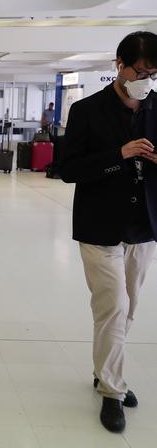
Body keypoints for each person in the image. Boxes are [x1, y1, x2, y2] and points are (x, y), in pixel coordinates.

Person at [60, 31, 157, 433]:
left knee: (127, 308)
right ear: (119, 64)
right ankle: (113, 391)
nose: (147, 80)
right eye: (142, 71)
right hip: (99, 226)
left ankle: (104, 372)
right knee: (113, 306)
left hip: (144, 226)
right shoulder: (86, 111)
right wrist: (119, 155)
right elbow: (68, 169)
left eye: (154, 73)